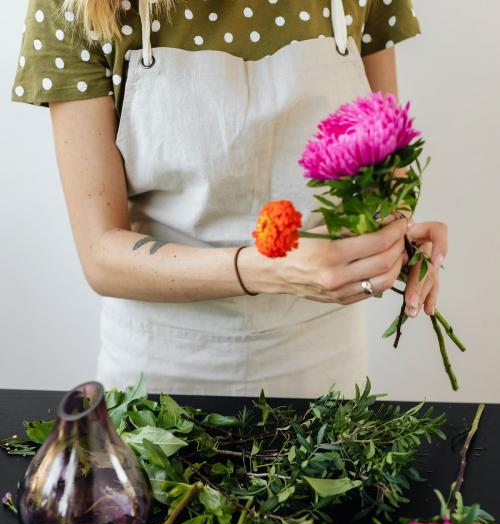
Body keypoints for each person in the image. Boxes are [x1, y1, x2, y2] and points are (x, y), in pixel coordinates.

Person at [12, 0, 448, 398]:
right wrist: (264, 270)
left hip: (324, 373)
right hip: (158, 386)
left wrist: (394, 229)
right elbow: (100, 255)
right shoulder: (74, 6)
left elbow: (386, 158)